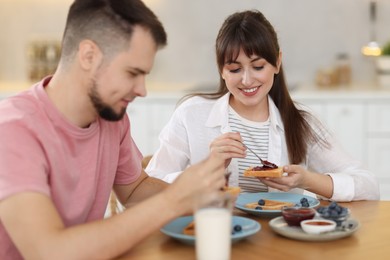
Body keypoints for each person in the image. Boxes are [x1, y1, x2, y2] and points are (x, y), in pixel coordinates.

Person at [0, 0, 228, 259]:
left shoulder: (112, 118)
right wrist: (173, 200)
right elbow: (50, 252)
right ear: (89, 56)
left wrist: (199, 197)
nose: (142, 90)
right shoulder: (13, 129)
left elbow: (133, 190)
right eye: (132, 73)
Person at [146, 10, 380, 201]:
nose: (247, 80)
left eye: (258, 67)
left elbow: (368, 186)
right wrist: (209, 166)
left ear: (277, 62)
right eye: (235, 69)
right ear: (221, 70)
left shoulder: (300, 123)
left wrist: (306, 180)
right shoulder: (191, 114)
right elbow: (149, 188)